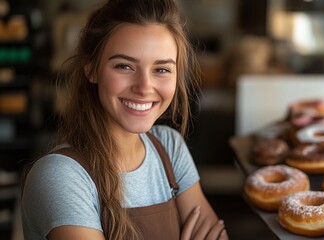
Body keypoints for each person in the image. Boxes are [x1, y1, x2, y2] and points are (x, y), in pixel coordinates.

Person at [21, 0, 228, 239]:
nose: (144, 87)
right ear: (91, 68)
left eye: (161, 69)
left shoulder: (170, 149)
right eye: (124, 66)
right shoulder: (61, 176)